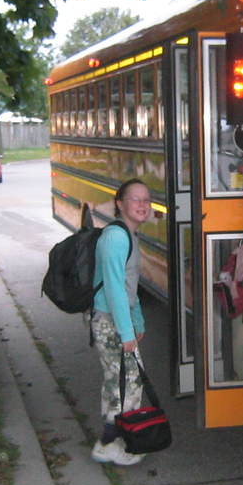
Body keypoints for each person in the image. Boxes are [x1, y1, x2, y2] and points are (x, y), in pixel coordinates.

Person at [89, 178, 152, 465]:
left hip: (118, 319)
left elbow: (130, 286)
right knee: (125, 384)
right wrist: (125, 331)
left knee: (122, 382)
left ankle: (115, 438)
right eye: (135, 199)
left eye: (146, 200)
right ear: (120, 204)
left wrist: (137, 323)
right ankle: (107, 443)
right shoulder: (116, 237)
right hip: (109, 321)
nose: (142, 205)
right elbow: (114, 288)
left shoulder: (129, 235)